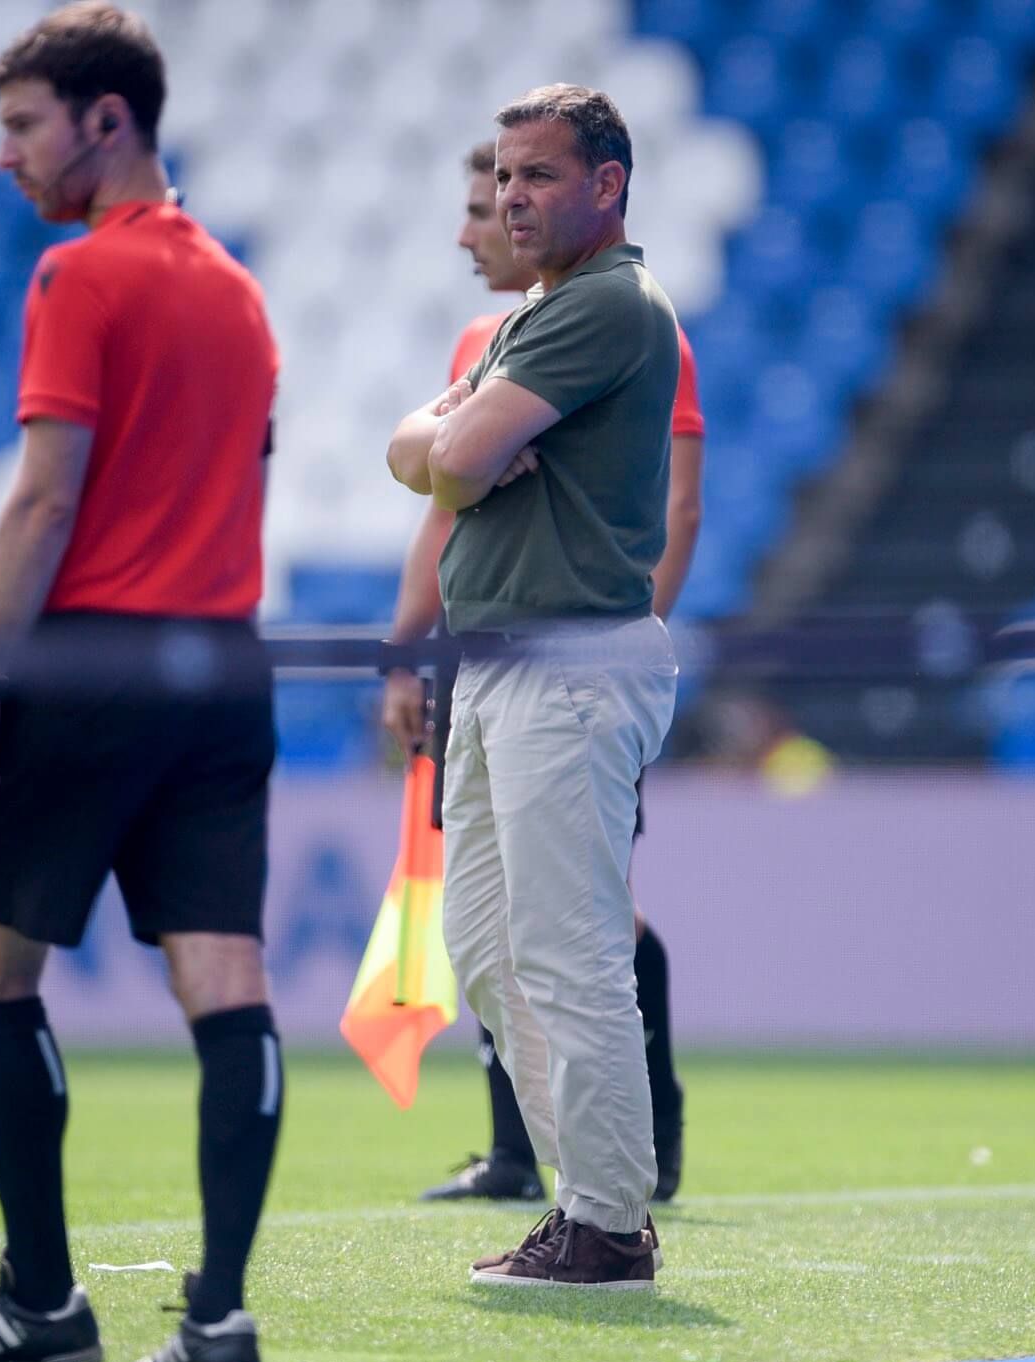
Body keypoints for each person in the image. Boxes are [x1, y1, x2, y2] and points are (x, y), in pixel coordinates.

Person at [0, 7, 280, 1362]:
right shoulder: (239, 289)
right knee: (226, 978)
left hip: (94, 664)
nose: (3, 158)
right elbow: (246, 480)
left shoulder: (81, 278)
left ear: (104, 121)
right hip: (227, 668)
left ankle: (47, 1304)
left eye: (20, 126)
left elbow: (43, 497)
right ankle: (219, 1319)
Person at [385, 84, 680, 1291]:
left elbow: (442, 456)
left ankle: (608, 1224)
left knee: (562, 955)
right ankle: (587, 1206)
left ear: (605, 185)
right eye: (503, 175)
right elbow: (432, 459)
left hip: (563, 663)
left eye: (537, 176)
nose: (510, 197)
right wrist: (448, 450)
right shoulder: (546, 311)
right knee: (489, 950)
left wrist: (450, 447)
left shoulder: (601, 305)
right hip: (505, 661)